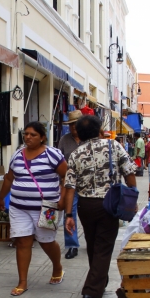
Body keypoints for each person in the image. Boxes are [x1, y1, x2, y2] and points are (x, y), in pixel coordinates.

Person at [64, 115, 137, 298]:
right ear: (100, 130)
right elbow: (129, 172)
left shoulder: (75, 154)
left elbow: (70, 187)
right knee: (103, 249)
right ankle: (91, 294)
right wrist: (132, 197)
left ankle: (99, 283)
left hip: (85, 206)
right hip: (108, 204)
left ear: (78, 133)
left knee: (94, 246)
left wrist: (69, 215)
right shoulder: (113, 146)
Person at [0, 122, 67, 296]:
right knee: (22, 242)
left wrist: (63, 197)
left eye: (33, 134)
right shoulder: (17, 155)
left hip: (47, 208)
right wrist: (1, 198)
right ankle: (23, 281)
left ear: (42, 137)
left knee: (46, 241)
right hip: (19, 207)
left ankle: (57, 267)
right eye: (26, 134)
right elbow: (9, 178)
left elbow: (67, 175)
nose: (28, 137)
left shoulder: (53, 155)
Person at [58, 110, 83, 259]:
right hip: (69, 183)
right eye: (71, 124)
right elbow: (59, 161)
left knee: (89, 214)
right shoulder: (64, 140)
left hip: (87, 184)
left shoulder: (89, 138)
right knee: (70, 213)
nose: (74, 127)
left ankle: (91, 240)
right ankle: (72, 245)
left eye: (76, 124)